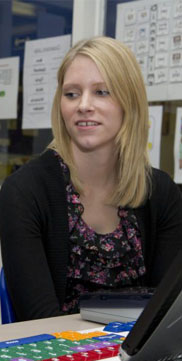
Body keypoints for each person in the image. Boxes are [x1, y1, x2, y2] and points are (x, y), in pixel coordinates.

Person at [0, 36, 182, 322]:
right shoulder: (24, 191)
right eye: (71, 94)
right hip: (62, 358)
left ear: (129, 102)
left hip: (138, 357)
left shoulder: (161, 192)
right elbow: (37, 319)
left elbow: (167, 314)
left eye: (102, 92)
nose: (84, 105)